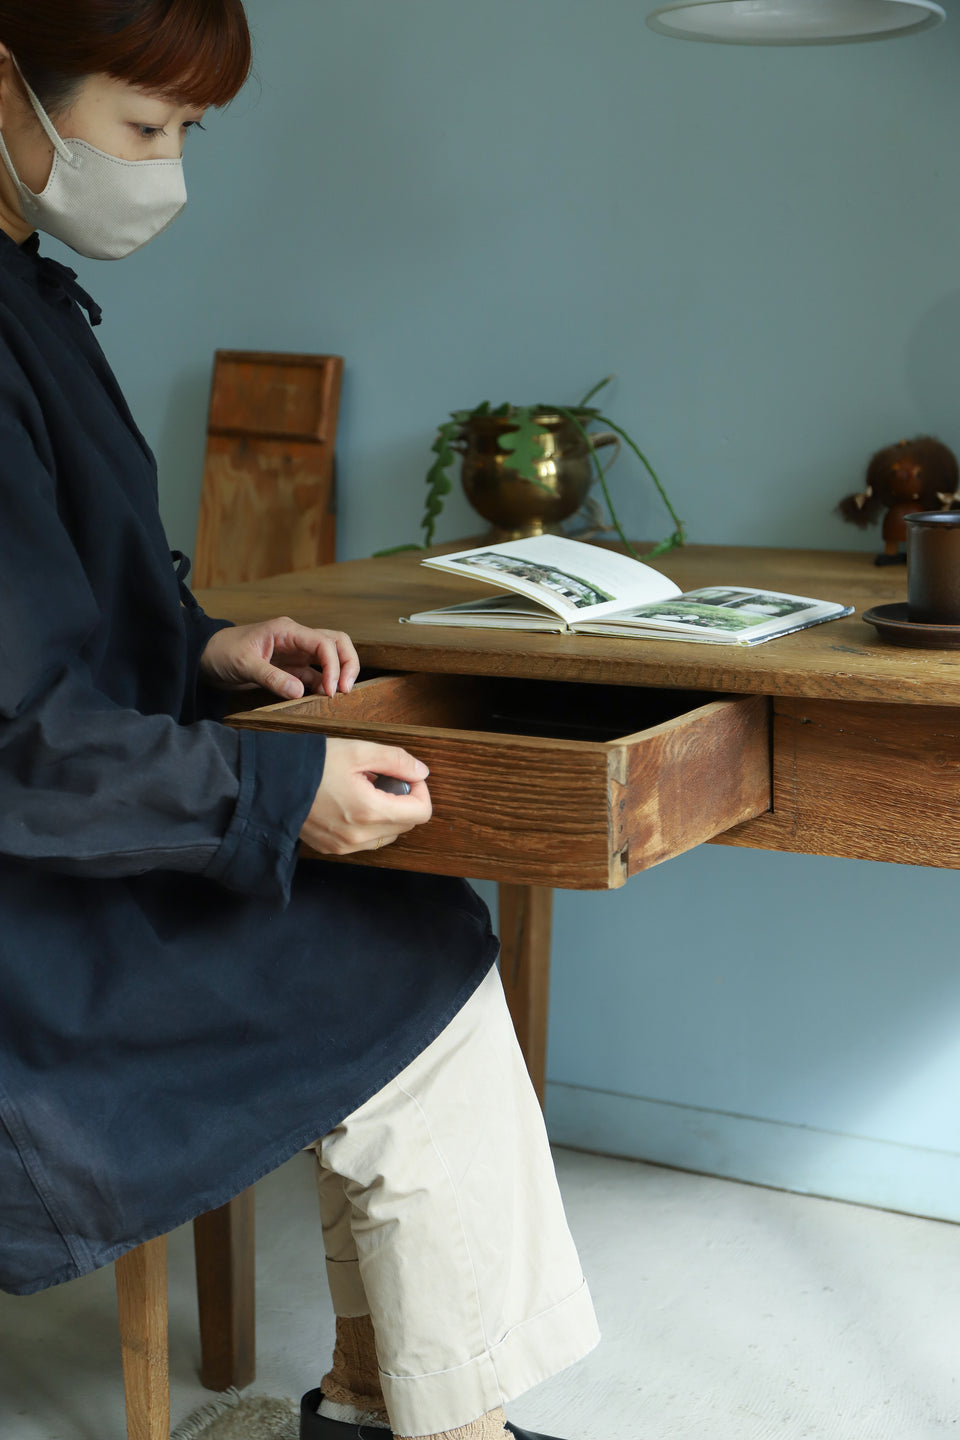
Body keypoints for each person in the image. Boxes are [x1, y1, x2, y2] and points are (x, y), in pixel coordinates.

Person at [0, 4, 600, 1439]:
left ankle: (378, 1401)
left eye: (188, 134)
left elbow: (62, 614)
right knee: (413, 955)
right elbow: (18, 739)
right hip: (33, 915)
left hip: (77, 847)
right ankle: (430, 1421)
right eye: (147, 129)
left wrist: (210, 650)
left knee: (413, 936)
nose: (170, 174)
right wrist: (274, 801)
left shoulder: (26, 294)